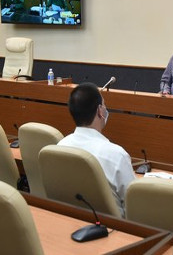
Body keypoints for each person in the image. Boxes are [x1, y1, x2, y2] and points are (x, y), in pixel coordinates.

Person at [57, 83, 135, 216]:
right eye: (104, 105)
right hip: (115, 231)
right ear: (100, 111)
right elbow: (134, 208)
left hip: (71, 223)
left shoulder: (60, 147)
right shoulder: (116, 156)